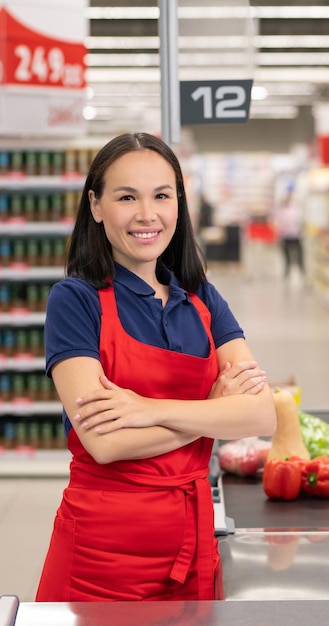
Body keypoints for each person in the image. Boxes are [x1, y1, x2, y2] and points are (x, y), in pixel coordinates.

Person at [35, 132, 276, 603]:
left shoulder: (202, 297)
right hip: (99, 557)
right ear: (97, 205)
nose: (148, 214)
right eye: (127, 197)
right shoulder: (75, 301)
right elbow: (104, 443)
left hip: (192, 546)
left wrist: (145, 408)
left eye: (162, 196)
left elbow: (261, 415)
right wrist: (211, 410)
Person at [277, 192, 304, 279]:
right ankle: (287, 270)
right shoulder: (282, 210)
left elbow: (299, 221)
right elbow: (279, 222)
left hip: (295, 234)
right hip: (286, 235)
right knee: (286, 254)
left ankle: (301, 269)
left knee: (299, 254)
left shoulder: (296, 209)